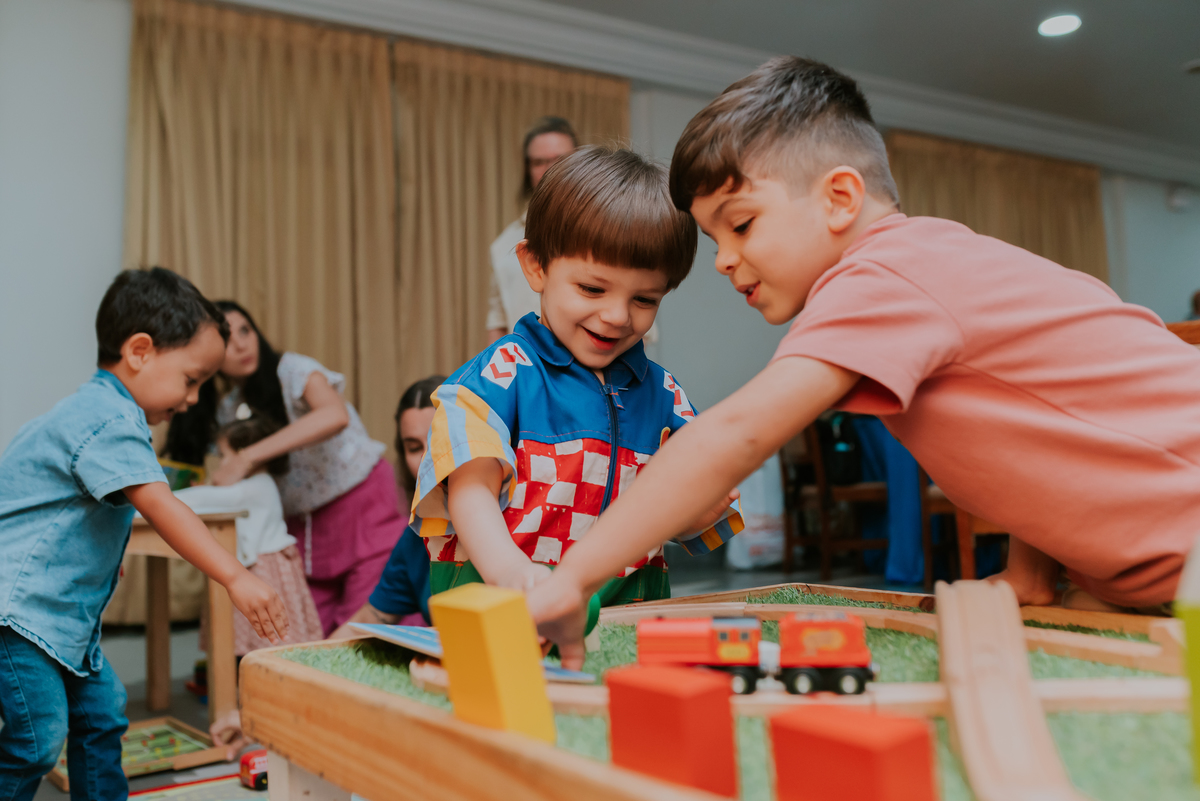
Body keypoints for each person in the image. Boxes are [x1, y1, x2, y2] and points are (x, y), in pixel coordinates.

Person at [526, 56, 1200, 667]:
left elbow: (737, 434)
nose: (725, 258)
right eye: (713, 238)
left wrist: (573, 574)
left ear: (840, 199)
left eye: (741, 223)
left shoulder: (883, 272)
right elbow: (1041, 425)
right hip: (1147, 578)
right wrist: (1030, 574)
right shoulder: (936, 263)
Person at [413, 146, 742, 633]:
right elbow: (470, 490)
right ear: (536, 266)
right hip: (508, 616)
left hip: (628, 616)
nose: (616, 315)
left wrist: (692, 512)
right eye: (592, 289)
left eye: (644, 299)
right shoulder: (498, 377)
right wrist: (512, 576)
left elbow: (685, 518)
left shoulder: (666, 395)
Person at [0, 268, 288, 800]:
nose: (193, 399)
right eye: (192, 378)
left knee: (103, 717)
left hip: (60, 618)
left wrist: (103, 554)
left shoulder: (99, 412)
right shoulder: (109, 416)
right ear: (140, 351)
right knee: (37, 738)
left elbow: (72, 509)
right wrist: (235, 575)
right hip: (19, 613)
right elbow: (159, 505)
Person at [164, 302, 404, 637]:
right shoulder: (229, 410)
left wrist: (248, 457)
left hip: (361, 506)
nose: (242, 345)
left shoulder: (293, 370)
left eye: (246, 331)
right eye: (228, 340)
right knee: (301, 633)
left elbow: (334, 416)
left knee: (362, 631)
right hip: (304, 528)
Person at [174, 414, 324, 655]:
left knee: (266, 636)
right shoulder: (259, 484)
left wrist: (160, 499)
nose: (222, 464)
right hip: (269, 565)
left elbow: (205, 500)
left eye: (224, 456)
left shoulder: (253, 488)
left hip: (263, 569)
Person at [331, 375, 446, 637]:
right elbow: (371, 618)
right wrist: (302, 666)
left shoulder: (513, 516)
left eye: (439, 441)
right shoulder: (416, 538)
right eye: (415, 447)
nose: (428, 458)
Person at [487, 116, 579, 343]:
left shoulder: (607, 227)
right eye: (539, 162)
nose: (549, 169)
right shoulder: (504, 245)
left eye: (560, 159)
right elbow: (497, 321)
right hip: (527, 370)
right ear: (528, 169)